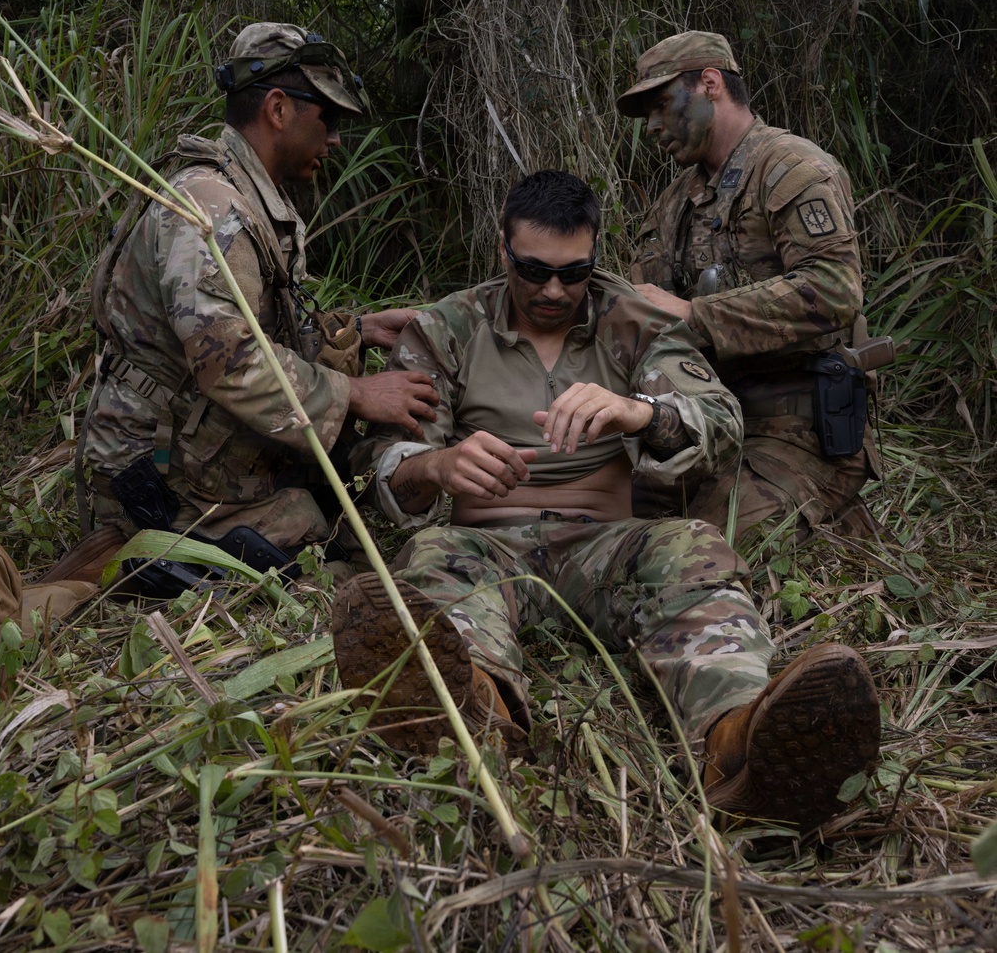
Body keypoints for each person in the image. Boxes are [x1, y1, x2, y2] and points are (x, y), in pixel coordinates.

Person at [334, 171, 880, 829]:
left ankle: (740, 742)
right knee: (432, 557)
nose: (556, 290)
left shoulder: (634, 319)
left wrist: (639, 412)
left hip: (607, 545)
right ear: (502, 251)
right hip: (483, 544)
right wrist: (437, 464)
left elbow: (719, 418)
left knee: (694, 549)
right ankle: (474, 714)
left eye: (575, 272)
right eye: (534, 271)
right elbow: (380, 460)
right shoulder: (448, 327)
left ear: (595, 255)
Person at [74, 22, 439, 570]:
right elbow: (230, 362)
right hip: (150, 480)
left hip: (190, 451)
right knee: (319, 540)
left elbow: (255, 329)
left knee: (336, 510)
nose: (336, 140)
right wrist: (355, 394)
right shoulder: (213, 210)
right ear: (277, 109)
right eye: (329, 118)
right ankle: (122, 554)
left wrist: (358, 329)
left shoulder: (243, 199)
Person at [617, 30, 886, 545]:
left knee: (698, 544)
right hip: (708, 425)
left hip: (798, 433)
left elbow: (834, 291)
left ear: (711, 84)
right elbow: (640, 306)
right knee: (607, 518)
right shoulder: (676, 202)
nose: (651, 126)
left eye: (661, 104)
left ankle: (839, 519)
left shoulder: (790, 168)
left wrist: (696, 314)